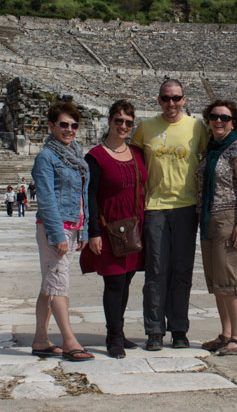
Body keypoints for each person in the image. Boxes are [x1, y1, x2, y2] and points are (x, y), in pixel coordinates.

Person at [131, 79, 208, 350]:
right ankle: (154, 330)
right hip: (155, 207)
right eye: (166, 98)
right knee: (155, 271)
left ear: (184, 100)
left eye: (176, 98)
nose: (171, 104)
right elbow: (132, 160)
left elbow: (210, 158)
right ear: (158, 100)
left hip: (186, 208)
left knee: (182, 272)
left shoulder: (197, 127)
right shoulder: (145, 128)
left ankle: (179, 329)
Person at [80, 100, 147, 359]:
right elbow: (91, 195)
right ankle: (113, 337)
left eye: (128, 122)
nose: (123, 126)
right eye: (118, 120)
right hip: (110, 227)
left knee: (128, 277)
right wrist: (93, 232)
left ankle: (119, 330)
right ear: (109, 121)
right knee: (115, 281)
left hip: (134, 226)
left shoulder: (136, 153)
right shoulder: (95, 156)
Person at [30, 101, 94, 362]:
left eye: (74, 125)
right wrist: (57, 235)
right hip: (54, 228)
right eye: (64, 125)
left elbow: (83, 197)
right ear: (52, 126)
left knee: (49, 285)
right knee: (58, 284)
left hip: (72, 227)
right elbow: (46, 198)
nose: (69, 130)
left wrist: (84, 230)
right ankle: (69, 342)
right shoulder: (46, 157)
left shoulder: (77, 156)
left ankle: (40, 340)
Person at [196, 100, 237, 355]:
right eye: (214, 116)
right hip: (209, 219)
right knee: (218, 282)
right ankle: (226, 333)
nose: (218, 121)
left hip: (230, 218)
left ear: (233, 122)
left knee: (231, 280)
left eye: (224, 118)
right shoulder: (210, 150)